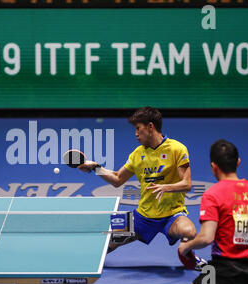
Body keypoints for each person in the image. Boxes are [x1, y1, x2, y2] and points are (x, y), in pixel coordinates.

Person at [79, 106, 205, 269]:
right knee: (103, 246)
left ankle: (187, 255)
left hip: (172, 214)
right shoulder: (137, 154)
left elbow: (187, 184)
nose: (136, 134)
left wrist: (165, 188)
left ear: (150, 127)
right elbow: (117, 179)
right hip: (143, 216)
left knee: (189, 232)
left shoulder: (177, 149)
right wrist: (96, 167)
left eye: (138, 129)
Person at [179, 139, 248, 284]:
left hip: (221, 271)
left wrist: (186, 247)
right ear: (238, 162)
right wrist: (246, 238)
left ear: (214, 167)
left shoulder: (213, 194)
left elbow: (206, 238)